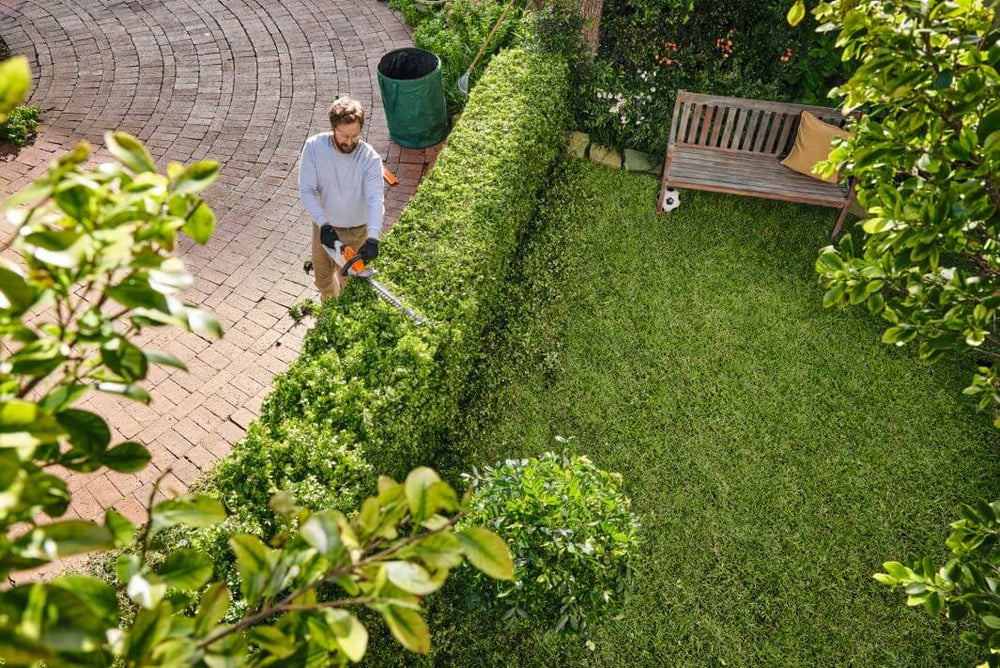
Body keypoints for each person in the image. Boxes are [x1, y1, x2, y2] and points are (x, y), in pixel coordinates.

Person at [298, 96, 385, 299]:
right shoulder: (314, 148)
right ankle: (329, 311)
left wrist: (372, 238)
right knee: (322, 279)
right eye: (343, 135)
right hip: (325, 229)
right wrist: (323, 224)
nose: (348, 142)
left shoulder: (370, 159)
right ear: (333, 128)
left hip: (356, 232)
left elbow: (375, 199)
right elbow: (307, 190)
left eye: (354, 136)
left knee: (351, 285)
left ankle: (343, 320)